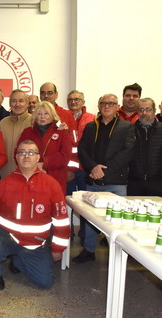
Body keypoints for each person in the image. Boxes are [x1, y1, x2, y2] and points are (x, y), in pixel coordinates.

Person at [0, 140, 70, 290]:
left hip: (35, 242)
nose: (26, 156)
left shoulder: (51, 184)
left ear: (38, 157)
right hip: (6, 236)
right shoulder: (3, 184)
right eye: (22, 152)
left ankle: (18, 260)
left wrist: (57, 249)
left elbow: (61, 221)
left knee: (45, 283)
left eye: (31, 152)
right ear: (16, 157)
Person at [74, 94, 136, 264]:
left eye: (111, 103)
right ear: (99, 106)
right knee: (89, 219)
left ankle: (117, 254)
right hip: (92, 180)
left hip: (115, 182)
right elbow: (82, 151)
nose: (107, 106)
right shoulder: (90, 127)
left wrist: (104, 171)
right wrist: (93, 167)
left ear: (117, 107)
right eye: (104, 103)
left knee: (116, 220)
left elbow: (127, 153)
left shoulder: (127, 127)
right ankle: (88, 250)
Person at [127, 98, 162, 197]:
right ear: (137, 112)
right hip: (134, 183)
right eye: (141, 110)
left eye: (148, 109)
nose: (144, 113)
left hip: (158, 182)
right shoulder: (130, 130)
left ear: (154, 111)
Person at [17, 101, 72, 196]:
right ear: (34, 115)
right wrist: (34, 165)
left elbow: (65, 156)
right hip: (30, 177)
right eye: (39, 114)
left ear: (53, 115)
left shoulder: (62, 132)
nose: (42, 117)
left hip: (55, 177)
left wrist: (44, 163)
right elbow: (17, 154)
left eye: (46, 113)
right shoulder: (27, 132)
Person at [65, 90, 95, 243]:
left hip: (85, 169)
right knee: (67, 203)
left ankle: (85, 235)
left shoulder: (92, 119)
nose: (73, 102)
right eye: (70, 99)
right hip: (68, 170)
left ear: (83, 102)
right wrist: (69, 169)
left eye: (77, 99)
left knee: (85, 206)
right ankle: (66, 233)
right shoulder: (62, 118)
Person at [0, 89, 33, 178]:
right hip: (5, 174)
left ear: (27, 103)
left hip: (28, 174)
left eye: (21, 101)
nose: (17, 104)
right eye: (14, 101)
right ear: (10, 104)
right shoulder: (2, 124)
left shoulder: (34, 122)